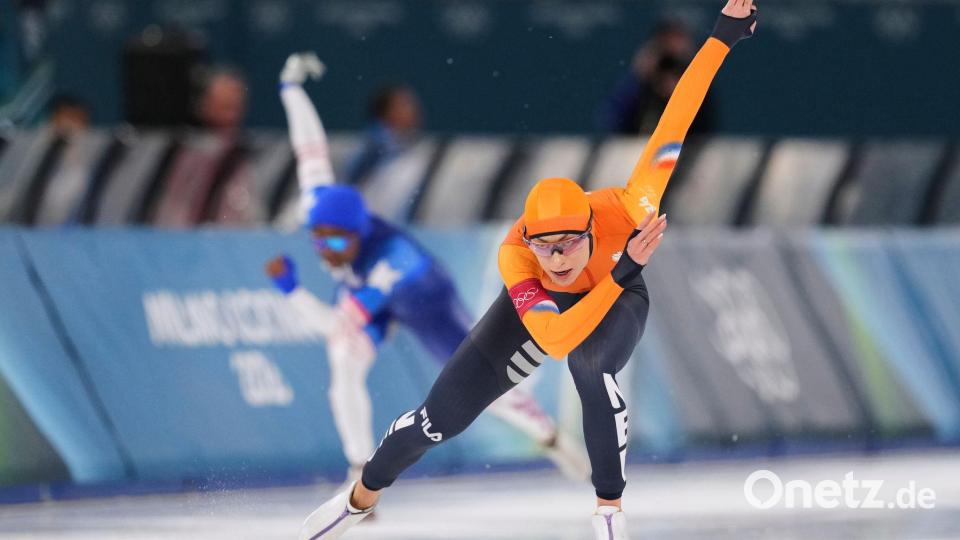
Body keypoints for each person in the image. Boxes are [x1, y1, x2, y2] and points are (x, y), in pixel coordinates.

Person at [297, 1, 758, 539]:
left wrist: (721, 38)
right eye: (546, 246)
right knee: (435, 420)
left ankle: (608, 509)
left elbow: (676, 117)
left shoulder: (633, 208)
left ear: (591, 230)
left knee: (593, 368)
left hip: (618, 295)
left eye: (568, 243)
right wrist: (622, 265)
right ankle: (357, 500)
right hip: (598, 285)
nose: (557, 258)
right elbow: (554, 338)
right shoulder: (517, 256)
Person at [266, 53, 588, 489]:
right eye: (318, 240)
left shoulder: (391, 263)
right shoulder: (318, 206)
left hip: (423, 295)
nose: (326, 251)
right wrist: (291, 89)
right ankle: (360, 470)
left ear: (359, 236)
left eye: (338, 242)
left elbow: (332, 323)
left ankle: (549, 436)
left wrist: (292, 292)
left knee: (485, 387)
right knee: (343, 361)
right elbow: (310, 149)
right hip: (373, 292)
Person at [601, 19, 714, 136]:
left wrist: (686, 89)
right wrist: (639, 78)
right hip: (638, 145)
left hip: (684, 145)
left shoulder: (696, 83)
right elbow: (614, 120)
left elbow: (706, 126)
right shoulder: (641, 82)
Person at [344, 84, 421, 186]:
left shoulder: (401, 144)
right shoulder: (375, 149)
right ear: (387, 111)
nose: (412, 111)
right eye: (403, 105)